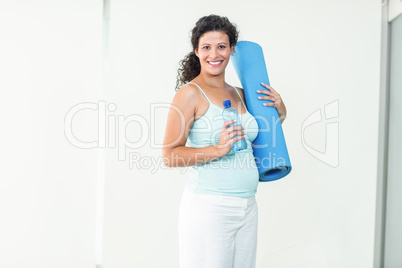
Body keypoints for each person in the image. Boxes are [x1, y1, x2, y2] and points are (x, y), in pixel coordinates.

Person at [162, 14, 287, 268]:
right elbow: (169, 155)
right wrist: (218, 149)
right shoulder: (189, 95)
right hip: (209, 208)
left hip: (248, 207)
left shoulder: (241, 94)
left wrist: (280, 111)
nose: (214, 54)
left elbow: (257, 135)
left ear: (231, 49)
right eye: (206, 47)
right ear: (196, 51)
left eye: (221, 46)